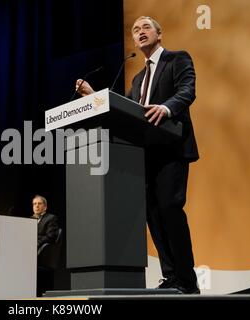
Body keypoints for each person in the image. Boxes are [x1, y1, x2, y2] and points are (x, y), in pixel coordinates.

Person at [75, 16, 200, 294]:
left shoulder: (177, 59)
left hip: (170, 150)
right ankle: (171, 277)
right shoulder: (138, 77)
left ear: (159, 33)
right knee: (153, 215)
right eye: (135, 30)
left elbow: (187, 91)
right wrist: (93, 95)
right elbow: (125, 109)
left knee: (169, 209)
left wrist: (166, 108)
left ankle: (187, 281)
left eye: (145, 27)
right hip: (143, 156)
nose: (139, 32)